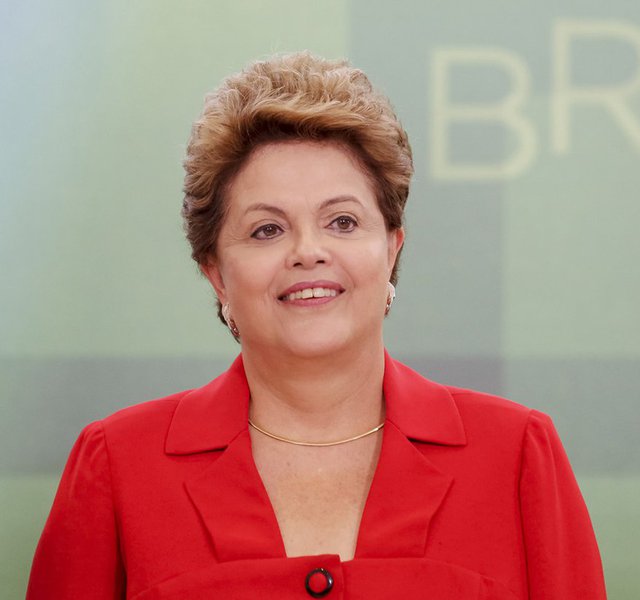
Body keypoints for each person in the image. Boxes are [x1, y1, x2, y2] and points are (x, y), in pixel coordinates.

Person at [27, 52, 605, 599]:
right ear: (216, 275)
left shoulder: (516, 455)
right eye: (267, 230)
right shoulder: (120, 465)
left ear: (391, 249)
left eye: (343, 221)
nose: (308, 251)